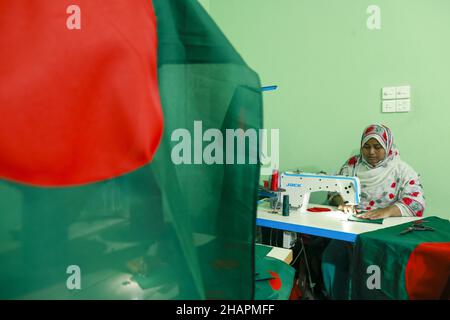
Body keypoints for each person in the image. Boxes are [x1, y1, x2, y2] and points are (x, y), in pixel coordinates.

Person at [322, 124, 426, 299]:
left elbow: (417, 203)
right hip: (353, 223)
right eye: (366, 146)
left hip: (383, 229)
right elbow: (334, 189)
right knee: (331, 257)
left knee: (372, 264)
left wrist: (386, 211)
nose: (371, 152)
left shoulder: (401, 170)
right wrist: (343, 202)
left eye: (377, 147)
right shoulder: (352, 165)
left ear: (388, 146)